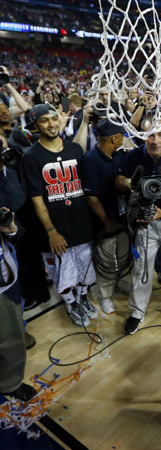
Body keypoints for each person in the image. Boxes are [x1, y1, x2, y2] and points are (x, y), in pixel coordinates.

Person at [20, 104, 98, 327]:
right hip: (54, 228)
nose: (51, 124)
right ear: (35, 125)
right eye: (44, 120)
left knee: (83, 266)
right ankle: (71, 302)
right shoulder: (31, 157)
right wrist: (52, 232)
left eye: (54, 118)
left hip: (80, 223)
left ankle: (82, 297)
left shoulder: (74, 150)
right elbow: (37, 200)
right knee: (61, 271)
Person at [115, 122, 161, 334]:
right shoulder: (135, 156)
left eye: (159, 135)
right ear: (143, 137)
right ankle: (137, 312)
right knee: (141, 269)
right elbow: (118, 180)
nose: (155, 140)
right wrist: (131, 183)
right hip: (145, 222)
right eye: (150, 135)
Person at [82, 118, 127, 314]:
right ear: (114, 139)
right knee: (106, 261)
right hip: (103, 222)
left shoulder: (118, 155)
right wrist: (106, 221)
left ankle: (121, 283)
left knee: (123, 255)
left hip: (122, 217)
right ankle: (106, 296)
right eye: (122, 137)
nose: (124, 140)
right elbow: (91, 197)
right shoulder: (91, 160)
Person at [0, 207, 38, 401]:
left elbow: (17, 232)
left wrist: (10, 228)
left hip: (5, 286)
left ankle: (10, 383)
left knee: (11, 339)